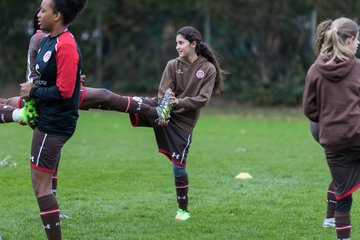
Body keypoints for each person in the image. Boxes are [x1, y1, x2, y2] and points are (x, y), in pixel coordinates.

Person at [129, 26, 224, 221]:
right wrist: (163, 111)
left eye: (181, 43)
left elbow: (202, 100)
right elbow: (163, 93)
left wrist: (177, 102)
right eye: (176, 43)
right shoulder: (172, 64)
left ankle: (183, 210)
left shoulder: (208, 69)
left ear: (193, 44)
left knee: (178, 167)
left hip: (184, 123)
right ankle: (89, 98)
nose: (177, 47)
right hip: (164, 113)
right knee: (135, 103)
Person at [19, 0, 87, 239]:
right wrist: (33, 97)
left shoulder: (66, 45)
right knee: (40, 186)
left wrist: (33, 91)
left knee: (41, 186)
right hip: (47, 119)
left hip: (56, 123)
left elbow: (65, 92)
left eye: (44, 10)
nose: (38, 14)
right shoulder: (47, 40)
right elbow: (48, 79)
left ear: (57, 15)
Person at [303, 17, 360, 240]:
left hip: (333, 141)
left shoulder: (315, 70)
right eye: (358, 40)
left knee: (343, 196)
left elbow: (310, 109)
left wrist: (329, 119)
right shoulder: (357, 68)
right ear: (350, 39)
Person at [309, 20, 337, 229]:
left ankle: (331, 218)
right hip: (332, 125)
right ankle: (331, 218)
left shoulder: (320, 63)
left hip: (321, 125)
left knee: (343, 171)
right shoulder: (335, 64)